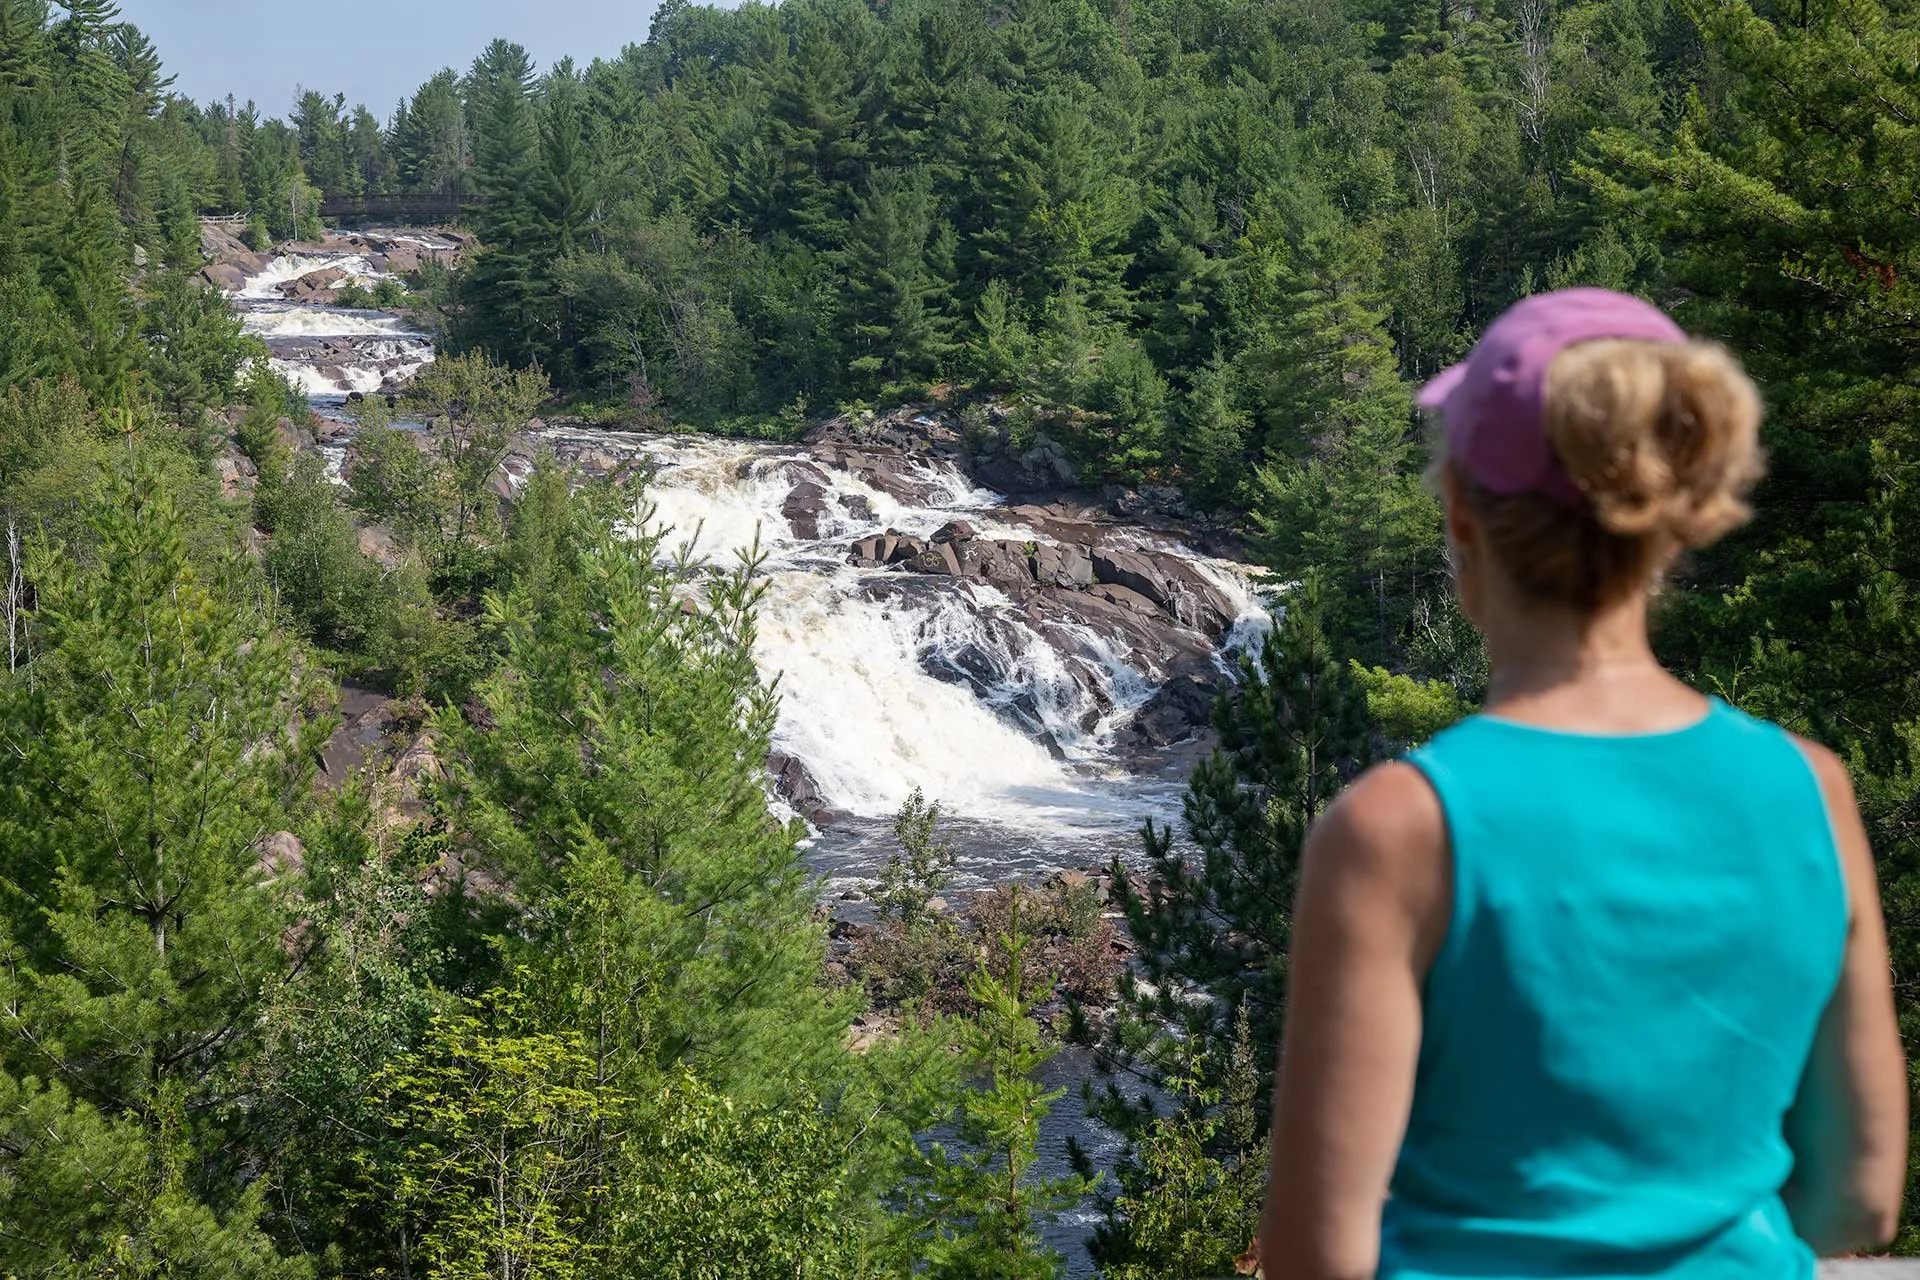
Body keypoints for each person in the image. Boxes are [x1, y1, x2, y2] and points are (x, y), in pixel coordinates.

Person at [1258, 288, 1909, 1279]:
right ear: (1671, 516)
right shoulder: (1807, 788)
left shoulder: (1398, 827)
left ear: (1461, 512)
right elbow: (1861, 1192)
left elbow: (1318, 1255)